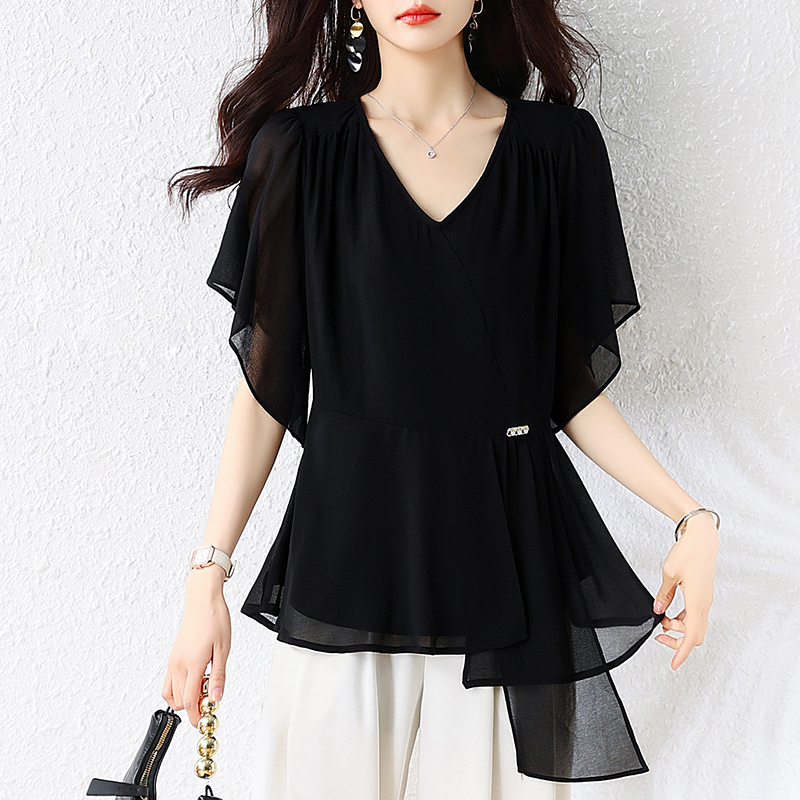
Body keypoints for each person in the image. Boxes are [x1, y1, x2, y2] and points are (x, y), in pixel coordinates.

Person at [162, 1, 721, 798]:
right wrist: (206, 578)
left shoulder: (555, 149)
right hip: (348, 554)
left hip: (509, 557)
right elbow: (265, 392)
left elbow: (567, 390)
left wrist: (691, 516)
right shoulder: (301, 150)